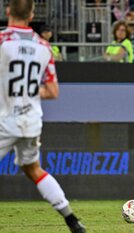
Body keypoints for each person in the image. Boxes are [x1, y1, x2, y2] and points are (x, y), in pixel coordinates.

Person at [0, 1, 86, 233]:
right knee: (33, 169)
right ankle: (72, 220)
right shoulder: (44, 47)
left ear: (7, 11)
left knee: (33, 169)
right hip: (30, 120)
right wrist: (27, 91)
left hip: (5, 118)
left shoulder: (2, 41)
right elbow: (52, 91)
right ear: (31, 14)